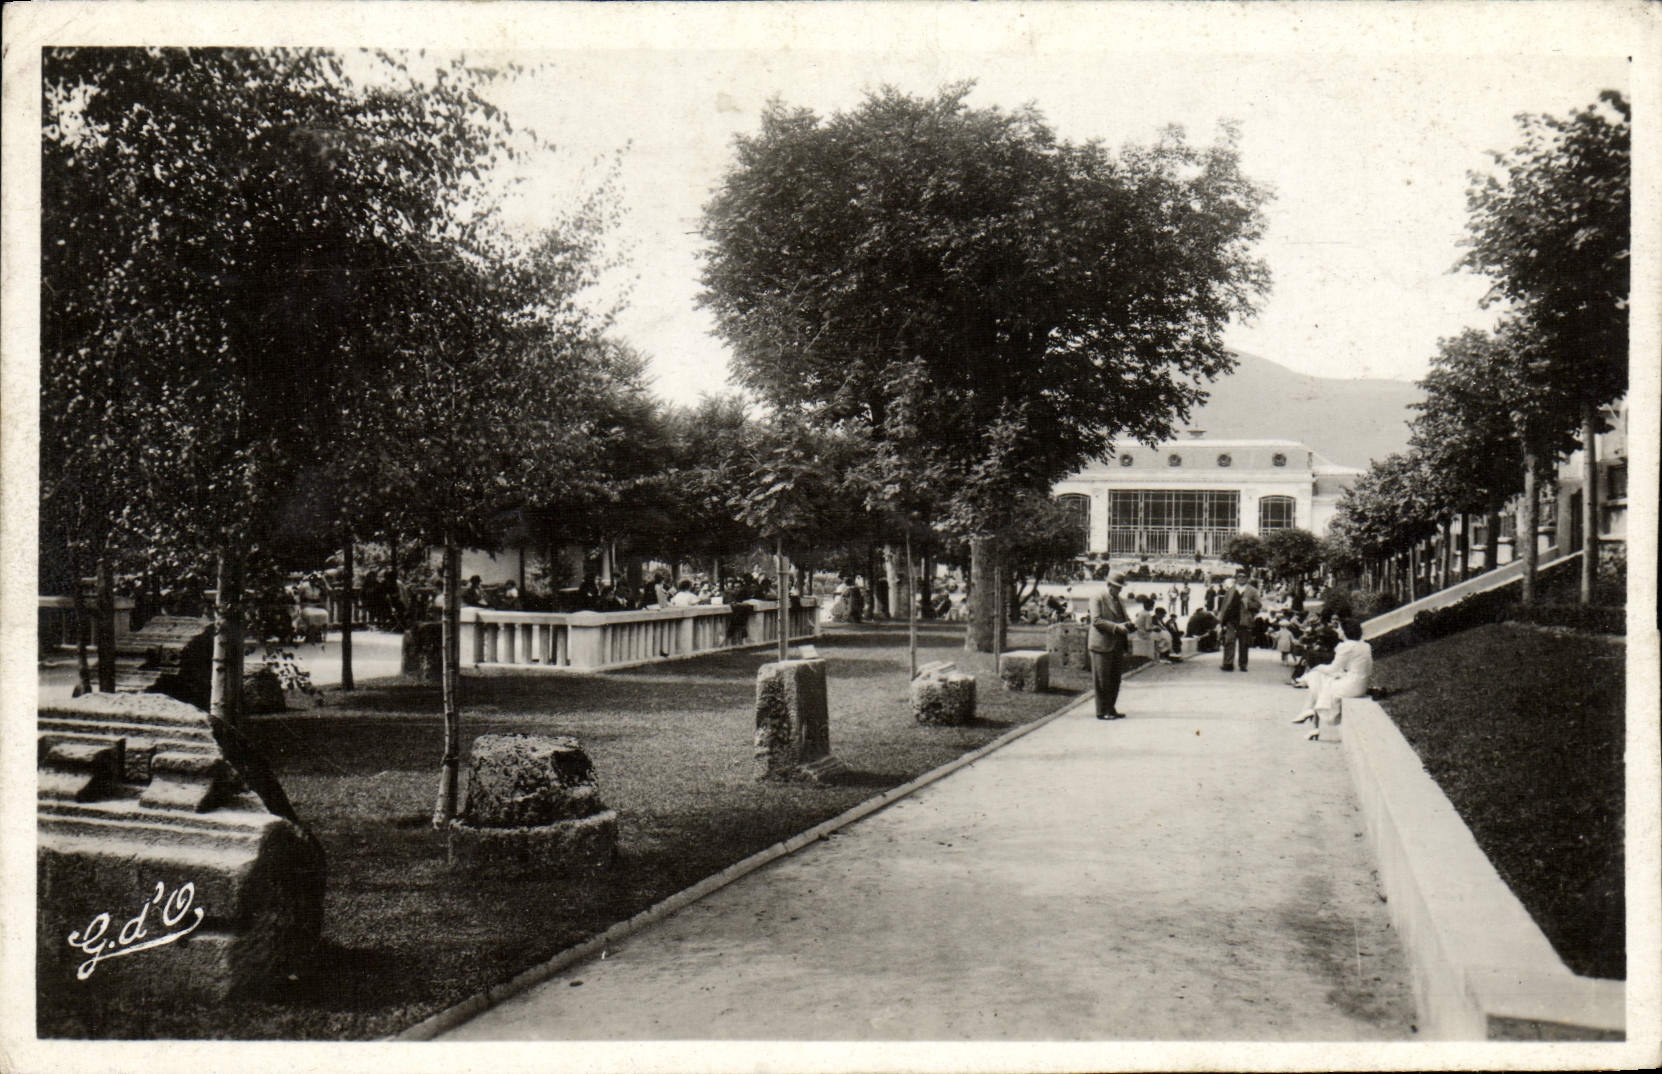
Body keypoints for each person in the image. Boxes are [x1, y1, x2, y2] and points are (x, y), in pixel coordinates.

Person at [1293, 618, 1373, 740]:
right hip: (1360, 684)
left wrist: (1317, 667)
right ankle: (1312, 724)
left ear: (1346, 631)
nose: (1338, 630)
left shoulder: (1346, 646)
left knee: (1317, 677)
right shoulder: (1365, 645)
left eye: (1340, 628)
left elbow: (1333, 669)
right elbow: (1348, 668)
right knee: (1321, 679)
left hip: (1351, 686)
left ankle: (1309, 712)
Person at [1088, 569, 1135, 719]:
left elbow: (1124, 618)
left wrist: (1129, 624)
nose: (1119, 590)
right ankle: (1102, 711)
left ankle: (1111, 708)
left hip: (1117, 644)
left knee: (1115, 679)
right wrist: (1116, 627)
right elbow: (1096, 620)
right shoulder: (1097, 598)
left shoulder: (1120, 600)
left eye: (1121, 587)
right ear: (1109, 585)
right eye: (1117, 586)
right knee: (1102, 679)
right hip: (1101, 644)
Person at [1216, 568, 1261, 672]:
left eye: (1244, 577)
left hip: (1245, 620)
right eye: (1239, 576)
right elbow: (1224, 606)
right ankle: (1228, 663)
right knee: (1228, 641)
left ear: (1247, 578)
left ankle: (1243, 664)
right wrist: (1221, 619)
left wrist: (1249, 604)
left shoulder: (1252, 591)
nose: (1241, 578)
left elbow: (1258, 605)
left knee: (1244, 643)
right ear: (1236, 578)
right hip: (1231, 620)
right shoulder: (1231, 590)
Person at [1133, 596, 1179, 663]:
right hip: (1145, 634)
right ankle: (1163, 653)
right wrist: (1155, 627)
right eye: (1152, 606)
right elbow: (1148, 628)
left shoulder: (1141, 612)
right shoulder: (1147, 614)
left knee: (1164, 635)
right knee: (1167, 636)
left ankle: (1162, 652)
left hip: (1139, 632)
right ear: (1150, 606)